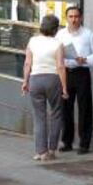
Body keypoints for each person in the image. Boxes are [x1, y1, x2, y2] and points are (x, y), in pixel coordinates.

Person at [56, 7, 93, 155]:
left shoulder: (88, 34)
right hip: (65, 73)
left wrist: (86, 59)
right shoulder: (60, 34)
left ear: (80, 18)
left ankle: (84, 144)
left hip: (82, 73)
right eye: (70, 16)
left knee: (85, 109)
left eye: (76, 16)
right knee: (65, 108)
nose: (73, 19)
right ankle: (67, 142)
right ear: (66, 18)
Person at [22, 15, 68, 161]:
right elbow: (60, 66)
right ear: (56, 29)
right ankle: (52, 150)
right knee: (56, 114)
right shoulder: (58, 44)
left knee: (39, 117)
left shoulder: (32, 41)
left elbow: (27, 63)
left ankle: (41, 152)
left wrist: (25, 81)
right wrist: (65, 88)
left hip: (35, 79)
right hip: (53, 80)